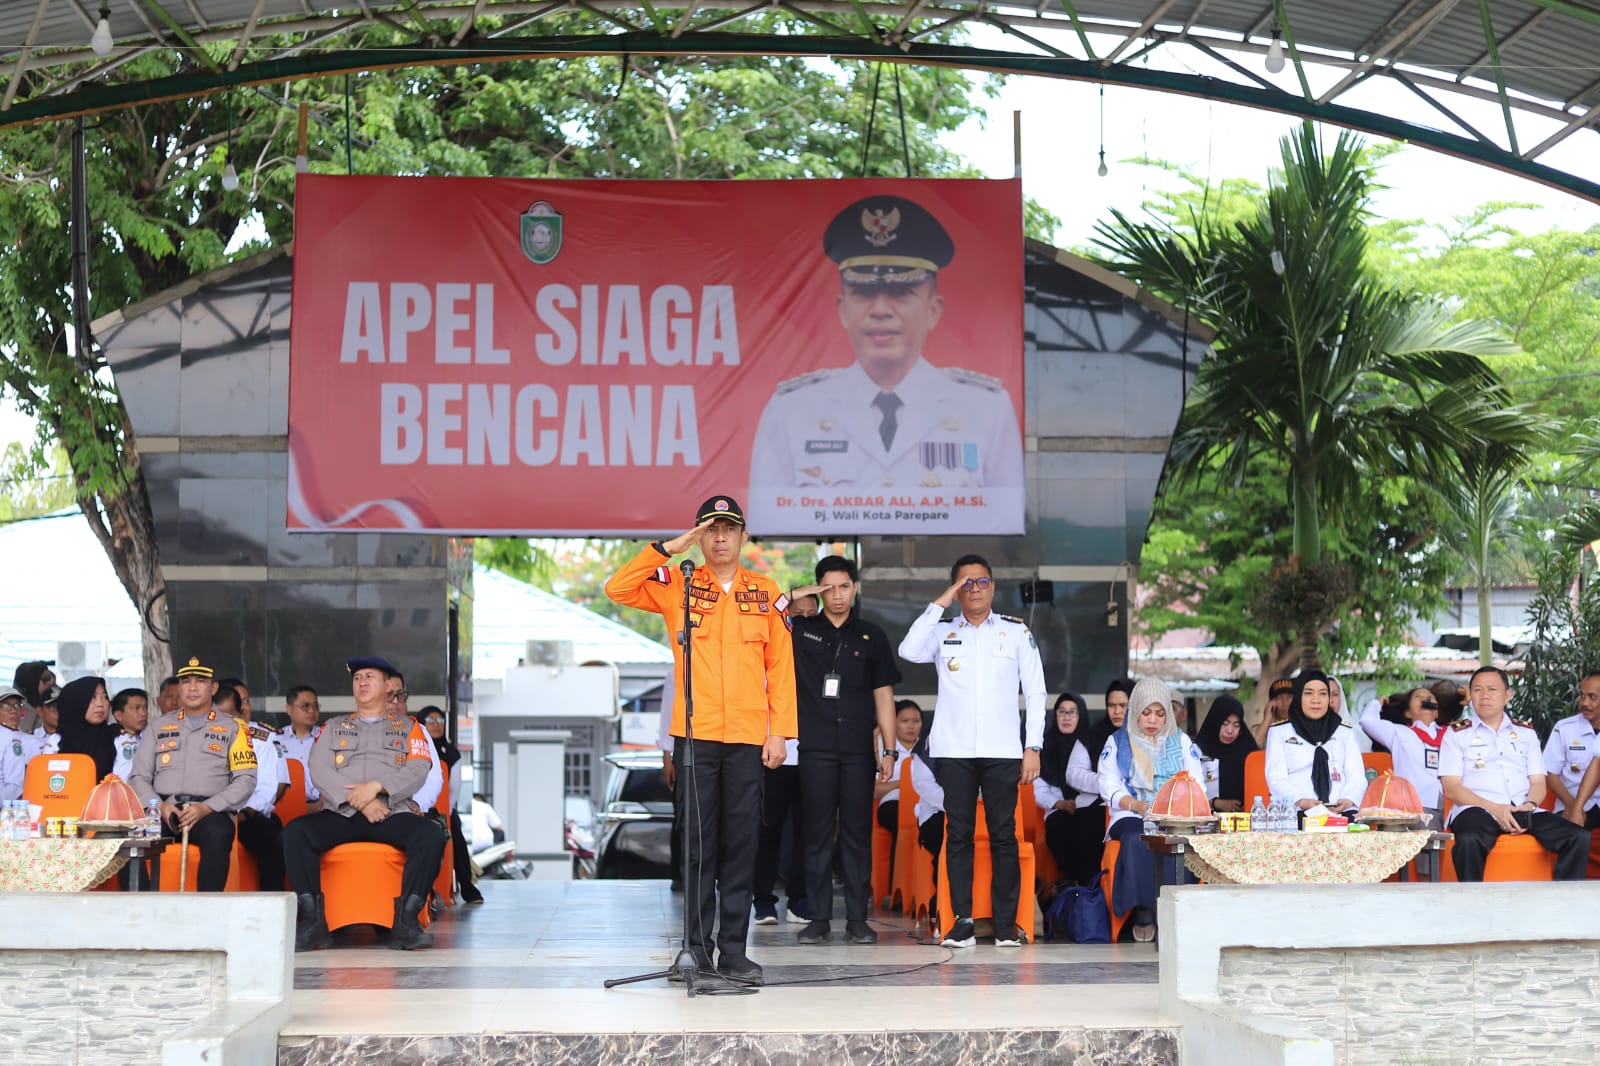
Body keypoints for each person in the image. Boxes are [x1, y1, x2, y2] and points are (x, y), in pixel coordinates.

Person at [604, 495, 796, 984]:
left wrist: (780, 734)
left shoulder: (766, 591)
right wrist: (671, 548)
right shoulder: (678, 584)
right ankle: (695, 949)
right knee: (697, 846)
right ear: (699, 536)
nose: (720, 538)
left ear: (744, 537)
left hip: (750, 738)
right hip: (695, 735)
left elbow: (782, 668)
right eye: (710, 530)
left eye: (729, 529)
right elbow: (617, 587)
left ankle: (733, 950)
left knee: (741, 845)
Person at [747, 195, 1023, 535]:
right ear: (842, 309)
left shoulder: (986, 408)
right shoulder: (792, 409)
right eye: (863, 294)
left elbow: (1006, 523)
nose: (880, 309)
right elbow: (766, 527)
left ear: (933, 310)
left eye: (901, 293)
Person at [898, 552, 1047, 948]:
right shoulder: (942, 631)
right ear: (956, 589)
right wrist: (940, 602)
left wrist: (1033, 746)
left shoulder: (1015, 633)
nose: (975, 589)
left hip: (1003, 750)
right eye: (966, 583)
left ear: (993, 587)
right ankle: (961, 923)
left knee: (1003, 837)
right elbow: (908, 650)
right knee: (959, 834)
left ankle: (1004, 926)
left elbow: (1035, 692)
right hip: (955, 750)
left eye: (981, 581)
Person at [282, 656, 448, 952]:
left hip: (389, 813)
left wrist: (377, 788)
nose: (362, 682)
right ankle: (313, 923)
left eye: (370, 677)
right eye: (357, 678)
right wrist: (356, 800)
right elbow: (318, 768)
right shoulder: (333, 727)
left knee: (431, 835)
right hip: (341, 814)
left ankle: (406, 922)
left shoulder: (408, 728)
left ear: (387, 686)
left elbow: (419, 767)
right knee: (294, 834)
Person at [785, 555, 902, 946]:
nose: (837, 595)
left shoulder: (871, 636)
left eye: (844, 586)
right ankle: (817, 918)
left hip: (857, 750)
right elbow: (765, 615)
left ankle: (856, 918)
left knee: (856, 834)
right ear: (818, 589)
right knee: (816, 834)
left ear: (855, 588)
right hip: (815, 747)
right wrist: (795, 594)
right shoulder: (800, 631)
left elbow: (884, 696)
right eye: (828, 587)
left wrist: (889, 750)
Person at [1438, 666, 1590, 881]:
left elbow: (1538, 782)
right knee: (1470, 840)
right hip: (1478, 808)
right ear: (1470, 696)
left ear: (1507, 695)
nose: (1485, 696)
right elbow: (1452, 788)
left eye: (1492, 689)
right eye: (1478, 690)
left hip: (1522, 807)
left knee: (1578, 837)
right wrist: (1495, 809)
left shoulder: (1525, 733)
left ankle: (1564, 903)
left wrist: (1529, 806)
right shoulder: (1456, 734)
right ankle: (1471, 905)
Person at [128, 657, 258, 892]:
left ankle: (205, 912)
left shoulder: (235, 728)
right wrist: (160, 806)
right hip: (165, 809)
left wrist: (207, 808)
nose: (193, 687)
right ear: (178, 688)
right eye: (186, 681)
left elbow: (246, 779)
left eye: (201, 681)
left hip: (209, 812)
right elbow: (138, 777)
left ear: (214, 688)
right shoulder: (158, 726)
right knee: (128, 838)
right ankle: (142, 907)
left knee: (218, 834)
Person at [1097, 678, 1205, 942]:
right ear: (1135, 710)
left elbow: (1197, 781)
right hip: (1131, 814)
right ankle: (1144, 910)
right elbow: (1107, 784)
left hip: (1174, 814)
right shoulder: (1118, 742)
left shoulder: (1180, 741)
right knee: (1137, 839)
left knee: (1179, 840)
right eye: (1146, 712)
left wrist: (1173, 806)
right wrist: (1135, 805)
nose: (1153, 720)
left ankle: (1176, 910)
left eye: (1160, 713)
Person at [217, 678, 289, 893]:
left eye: (245, 701)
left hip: (247, 814)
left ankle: (271, 905)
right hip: (210, 812)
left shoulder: (262, 738)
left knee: (272, 840)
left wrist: (245, 814)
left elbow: (269, 787)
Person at [1264, 671, 1366, 815]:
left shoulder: (1344, 732)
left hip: (1341, 812)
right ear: (1298, 696)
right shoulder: (1280, 732)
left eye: (1323, 693)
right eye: (1309, 693)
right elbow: (1276, 779)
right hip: (1297, 813)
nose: (1316, 700)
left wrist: (1348, 799)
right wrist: (1300, 801)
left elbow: (1357, 776)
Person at [1033, 691, 1105, 886]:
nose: (1066, 717)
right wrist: (1059, 803)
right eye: (1062, 712)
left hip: (1089, 805)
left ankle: (1092, 883)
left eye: (1072, 712)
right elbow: (1038, 789)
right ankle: (1073, 881)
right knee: (1061, 827)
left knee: (1093, 825)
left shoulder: (1091, 742)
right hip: (1057, 809)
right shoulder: (1044, 747)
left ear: (1081, 715)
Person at [418, 704, 483, 905]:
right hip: (418, 809)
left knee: (456, 836)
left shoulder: (452, 753)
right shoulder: (416, 748)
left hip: (445, 809)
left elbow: (454, 788)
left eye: (440, 720)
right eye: (430, 720)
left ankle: (466, 886)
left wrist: (445, 812)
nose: (436, 725)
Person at [1359, 687, 1445, 824]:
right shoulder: (1399, 733)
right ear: (1408, 713)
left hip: (1450, 805)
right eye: (1418, 697)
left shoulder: (1450, 735)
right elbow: (1367, 721)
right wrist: (1377, 703)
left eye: (1430, 696)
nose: (1425, 698)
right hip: (1415, 806)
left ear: (1437, 712)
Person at [875, 699, 924, 886]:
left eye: (916, 721)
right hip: (893, 803)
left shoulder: (929, 747)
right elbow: (874, 790)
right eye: (904, 721)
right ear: (894, 722)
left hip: (924, 803)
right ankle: (898, 886)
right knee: (901, 822)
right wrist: (903, 785)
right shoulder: (884, 749)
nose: (911, 726)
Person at [1543, 670, 1600, 829]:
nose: (1584, 703)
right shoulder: (1565, 728)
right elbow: (1551, 773)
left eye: (1592, 697)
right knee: (1570, 830)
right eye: (1582, 696)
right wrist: (1573, 806)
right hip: (1572, 801)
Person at [1194, 695, 1256, 814]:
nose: (1230, 730)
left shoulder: (1247, 750)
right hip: (1206, 820)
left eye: (1236, 725)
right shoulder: (1197, 751)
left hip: (1243, 823)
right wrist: (1216, 803)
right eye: (1225, 723)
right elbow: (1188, 795)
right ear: (1215, 722)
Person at [56, 676, 119, 780]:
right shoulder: (56, 742)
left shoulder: (117, 738)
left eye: (104, 697)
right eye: (92, 697)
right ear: (75, 702)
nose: (100, 704)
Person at [278, 685, 323, 812]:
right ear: (289, 709)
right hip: (285, 807)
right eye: (305, 706)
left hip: (322, 807)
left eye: (315, 706)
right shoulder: (277, 739)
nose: (312, 710)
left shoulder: (327, 737)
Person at [0, 686, 40, 802]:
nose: (13, 710)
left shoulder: (12, 739)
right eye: (6, 706)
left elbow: (15, 784)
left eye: (18, 705)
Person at [110, 688, 150, 780]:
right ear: (119, 715)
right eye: (137, 708)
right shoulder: (113, 739)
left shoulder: (150, 736)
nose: (143, 713)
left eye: (145, 708)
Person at [1251, 678, 1294, 748]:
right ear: (1271, 703)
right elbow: (1253, 745)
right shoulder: (1264, 730)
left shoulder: (1304, 727)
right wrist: (1267, 719)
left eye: (1290, 697)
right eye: (1279, 698)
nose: (1285, 703)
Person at [32, 687, 61, 755]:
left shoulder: (72, 740)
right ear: (40, 711)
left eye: (62, 706)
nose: (59, 711)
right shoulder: (32, 737)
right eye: (53, 707)